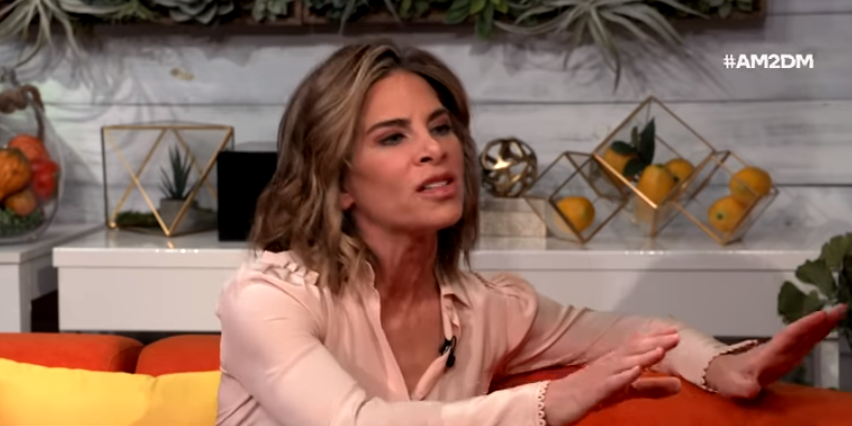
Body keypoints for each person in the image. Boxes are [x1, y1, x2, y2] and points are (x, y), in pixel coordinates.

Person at [214, 38, 847, 426]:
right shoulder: (270, 298)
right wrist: (551, 403)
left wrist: (726, 367)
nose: (434, 149)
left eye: (441, 127)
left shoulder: (491, 308)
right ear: (339, 184)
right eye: (392, 137)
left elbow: (640, 335)